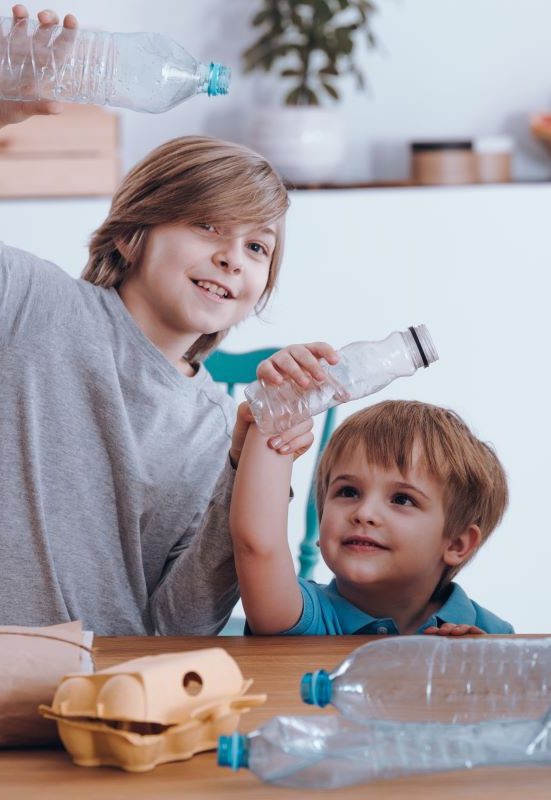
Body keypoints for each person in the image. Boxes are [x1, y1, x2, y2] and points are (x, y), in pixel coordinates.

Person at [0, 5, 334, 635]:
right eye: (207, 224)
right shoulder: (31, 303)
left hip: (106, 698)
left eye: (257, 247)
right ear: (131, 237)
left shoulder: (214, 430)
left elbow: (176, 621)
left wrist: (247, 463)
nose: (232, 257)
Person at [230, 398, 513, 635]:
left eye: (402, 499)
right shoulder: (300, 615)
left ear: (456, 544)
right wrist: (277, 411)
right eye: (349, 492)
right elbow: (258, 546)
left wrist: (483, 672)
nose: (364, 513)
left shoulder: (493, 635)